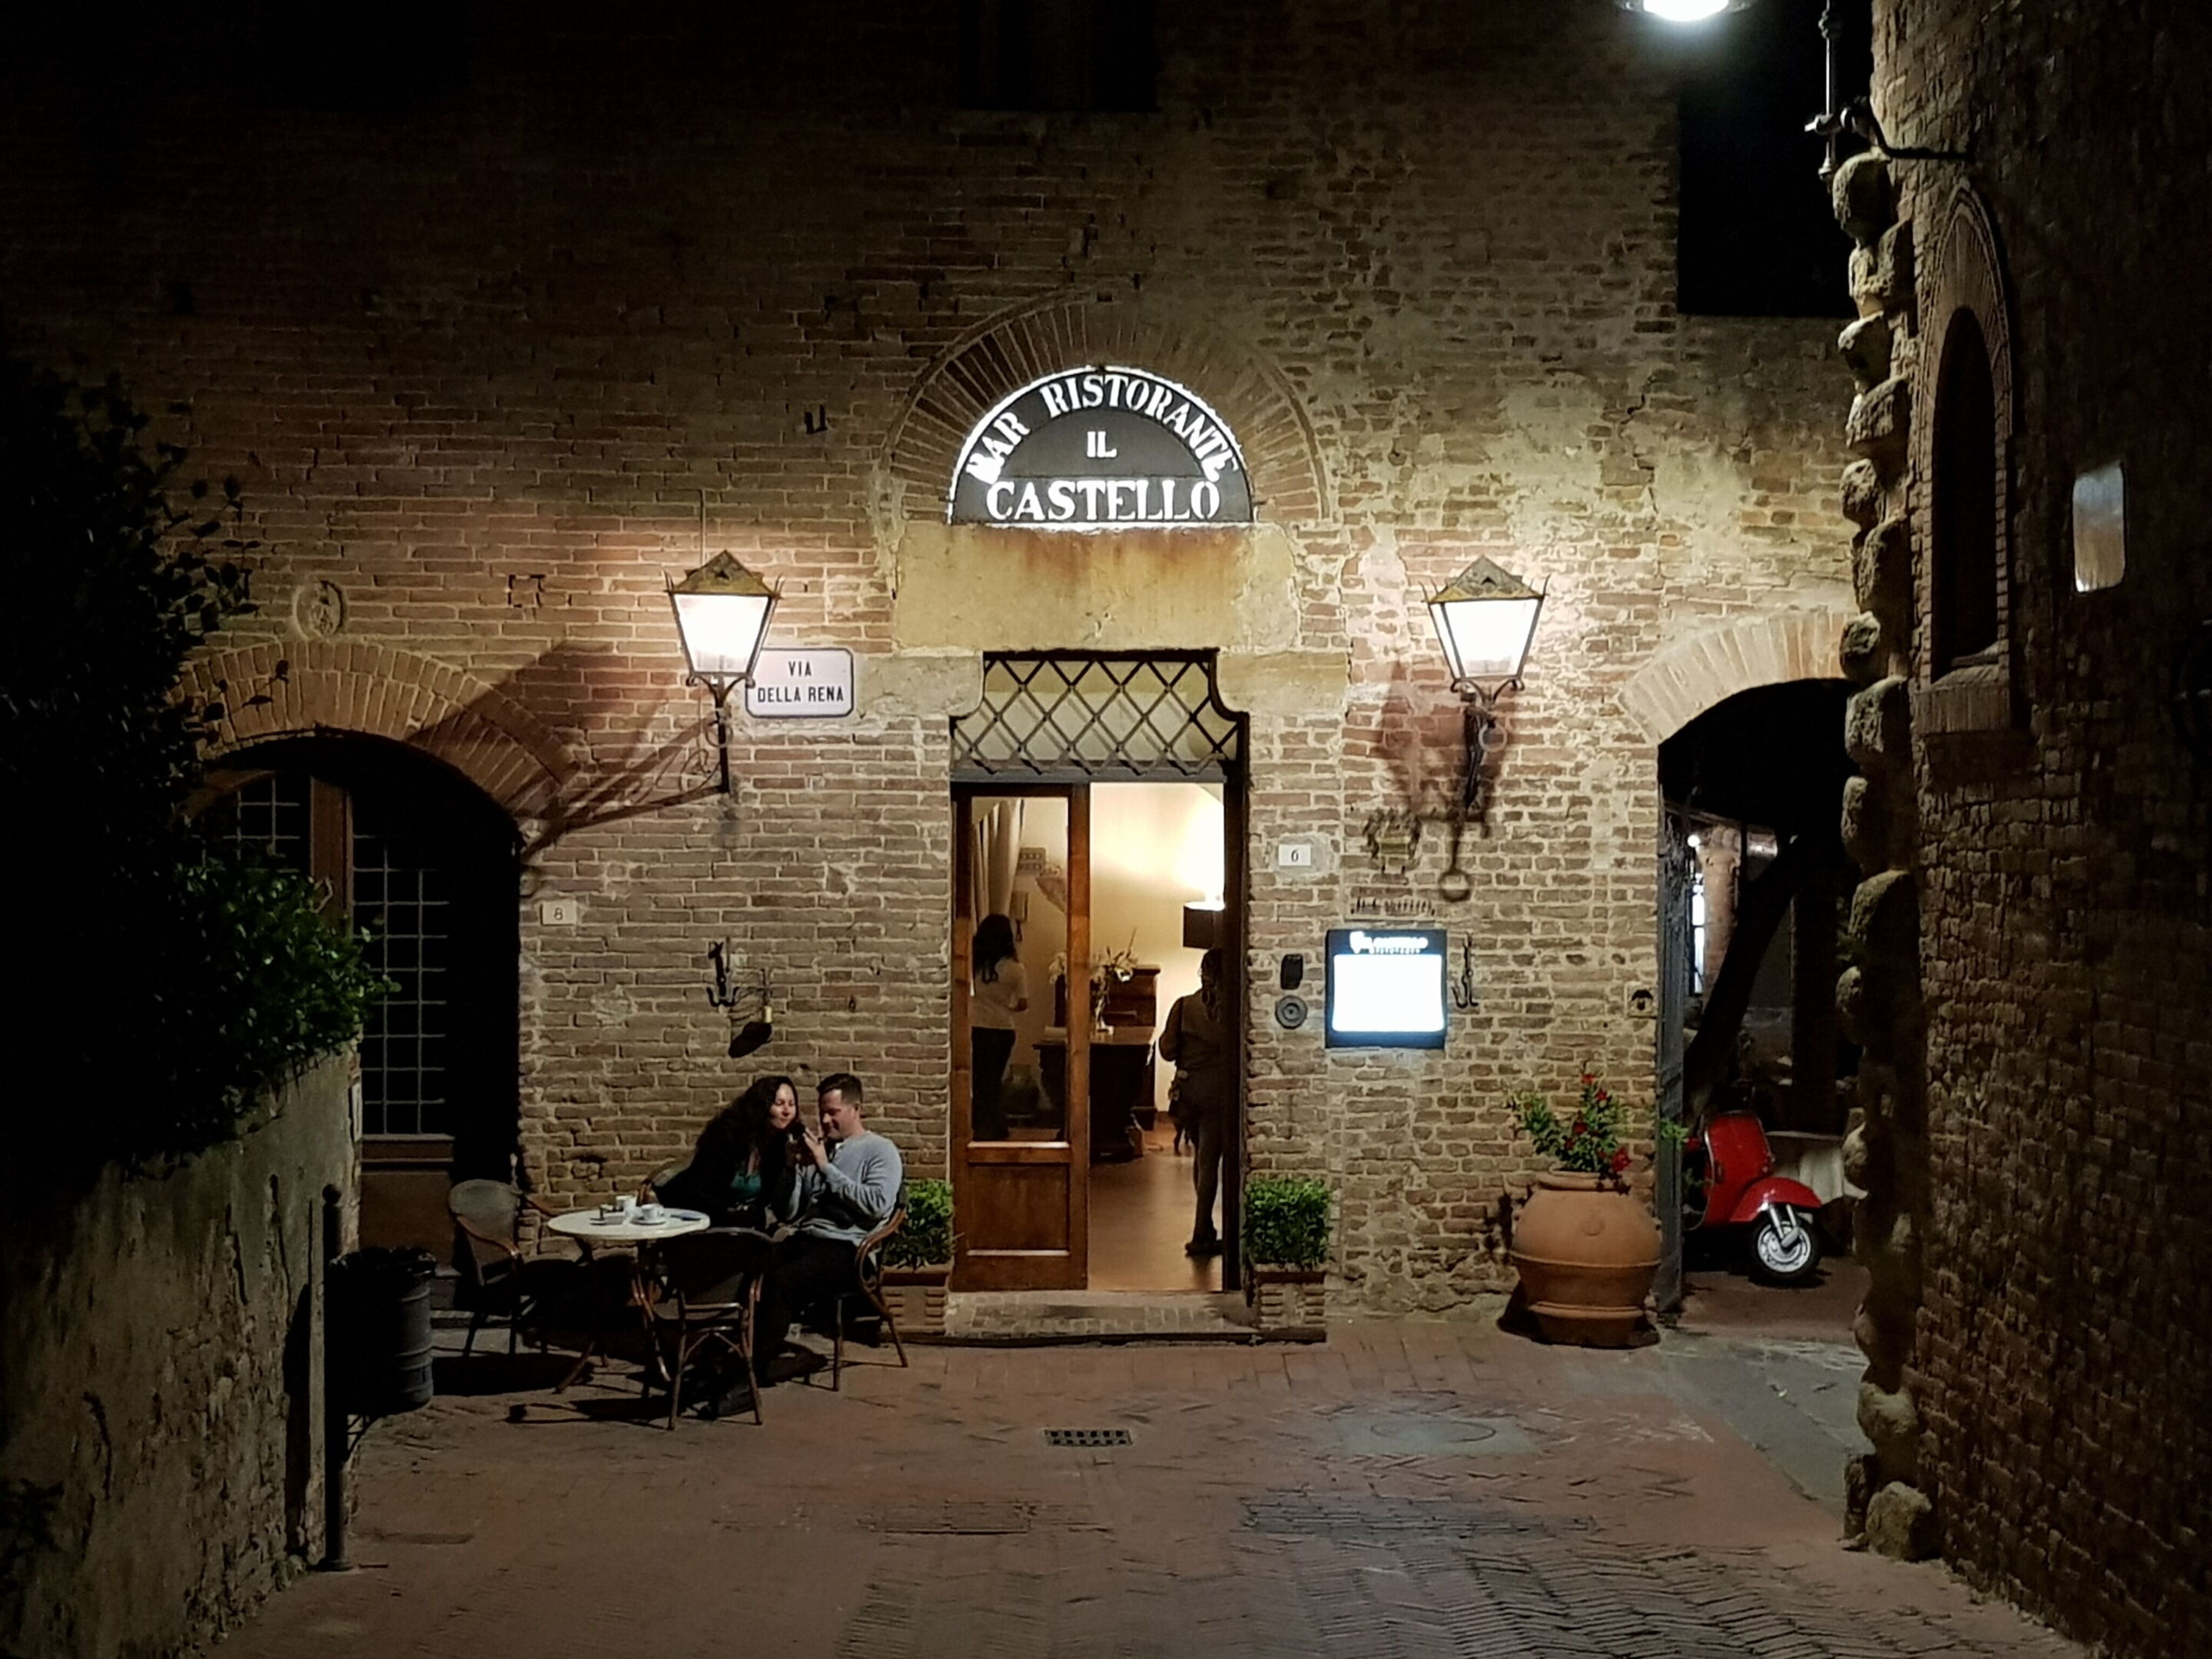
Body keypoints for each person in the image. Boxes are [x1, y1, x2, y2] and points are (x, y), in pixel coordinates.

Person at [752, 1073, 903, 1377]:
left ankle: (752, 1368)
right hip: (807, 1238)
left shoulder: (880, 1150)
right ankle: (735, 1352)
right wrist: (793, 1169)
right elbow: (791, 1214)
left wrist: (825, 1168)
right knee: (749, 1266)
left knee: (784, 1282)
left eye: (833, 1113)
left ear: (856, 1110)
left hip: (849, 1249)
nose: (824, 1121)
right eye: (822, 1112)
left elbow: (876, 1204)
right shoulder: (825, 1149)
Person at [1158, 949, 1232, 1258]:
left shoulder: (1184, 1006)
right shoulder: (1236, 1009)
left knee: (1202, 1160)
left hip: (1190, 1092)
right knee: (1211, 1161)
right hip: (1221, 1092)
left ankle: (1204, 1228)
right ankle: (1204, 1230)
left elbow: (1167, 1051)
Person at [659, 1075, 803, 1227]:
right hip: (702, 1217)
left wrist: (790, 1166)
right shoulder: (727, 1136)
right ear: (762, 1106)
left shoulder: (782, 1146)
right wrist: (730, 1214)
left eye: (792, 1104)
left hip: (745, 1226)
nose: (787, 1111)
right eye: (779, 1104)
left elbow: (781, 1208)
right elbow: (702, 1189)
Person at [968, 913, 1028, 1142]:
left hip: (977, 1027)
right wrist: (1008, 1007)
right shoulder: (1015, 969)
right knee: (995, 1079)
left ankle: (980, 1124)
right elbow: (1023, 1003)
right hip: (1003, 1028)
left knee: (979, 1079)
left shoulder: (974, 965)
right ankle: (995, 1125)